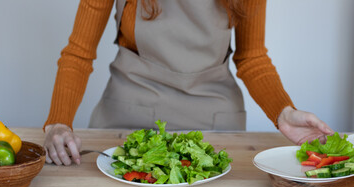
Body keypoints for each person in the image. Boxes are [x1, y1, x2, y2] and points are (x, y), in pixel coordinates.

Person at [43, 0, 334, 166]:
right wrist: (58, 122)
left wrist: (283, 112)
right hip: (126, 118)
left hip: (215, 125)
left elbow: (252, 58)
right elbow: (79, 54)